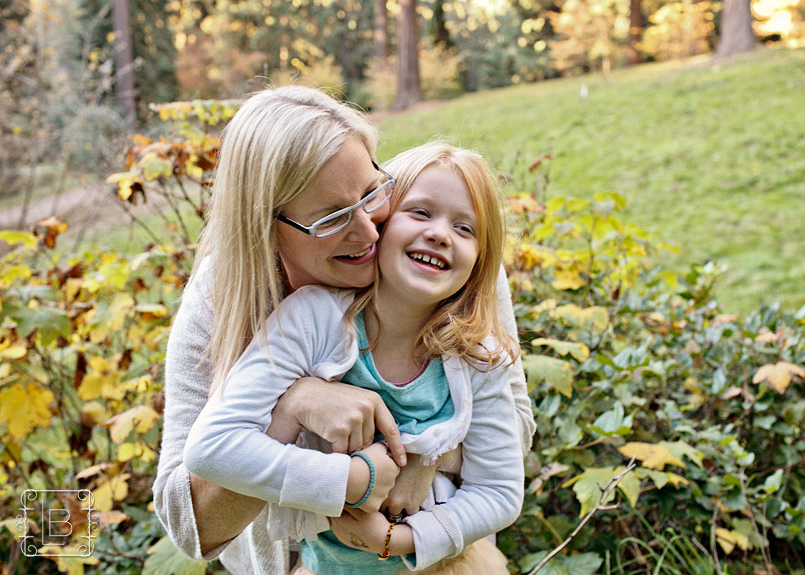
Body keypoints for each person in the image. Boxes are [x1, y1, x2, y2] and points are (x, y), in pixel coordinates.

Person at [152, 86, 535, 575]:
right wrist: (295, 412)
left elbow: (510, 431)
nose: (371, 230)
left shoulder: (442, 260)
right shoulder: (223, 296)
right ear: (263, 229)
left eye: (373, 190)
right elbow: (189, 524)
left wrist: (415, 458)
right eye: (332, 218)